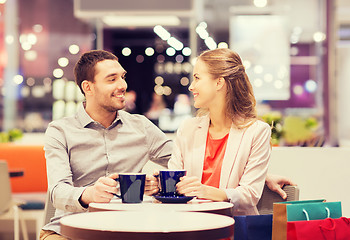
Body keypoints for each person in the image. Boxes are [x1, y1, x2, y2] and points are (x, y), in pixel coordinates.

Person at [40, 50, 172, 240]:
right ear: (88, 87)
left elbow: (181, 162)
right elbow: (57, 192)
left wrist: (160, 182)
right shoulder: (60, 131)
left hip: (127, 229)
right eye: (112, 79)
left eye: (123, 77)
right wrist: (89, 194)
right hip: (70, 231)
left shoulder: (141, 126)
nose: (123, 85)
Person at [168, 48, 272, 215]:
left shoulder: (257, 132)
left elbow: (250, 194)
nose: (191, 86)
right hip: (191, 224)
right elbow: (175, 184)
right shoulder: (187, 129)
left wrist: (205, 191)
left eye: (197, 78)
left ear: (219, 82)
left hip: (234, 227)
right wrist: (160, 184)